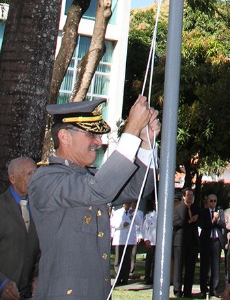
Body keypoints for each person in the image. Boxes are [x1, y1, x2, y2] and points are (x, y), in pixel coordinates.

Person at [29, 96, 159, 300]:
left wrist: (145, 142)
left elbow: (138, 188)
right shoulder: (45, 180)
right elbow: (100, 189)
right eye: (92, 134)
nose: (99, 142)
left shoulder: (87, 177)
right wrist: (131, 131)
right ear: (64, 136)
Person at [0, 156, 39, 300]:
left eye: (35, 173)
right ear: (12, 178)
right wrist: (2, 283)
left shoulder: (40, 209)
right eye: (28, 174)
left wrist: (37, 276)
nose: (34, 178)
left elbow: (43, 250)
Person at [174, 188, 200, 298]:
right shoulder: (177, 208)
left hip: (192, 241)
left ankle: (188, 290)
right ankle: (177, 290)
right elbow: (175, 222)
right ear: (183, 196)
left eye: (192, 195)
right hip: (180, 241)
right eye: (188, 195)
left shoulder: (195, 208)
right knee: (179, 266)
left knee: (190, 267)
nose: (190, 197)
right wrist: (189, 221)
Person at [199, 194, 225, 297]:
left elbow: (223, 223)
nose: (213, 203)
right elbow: (205, 226)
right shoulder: (203, 212)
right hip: (206, 241)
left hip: (216, 241)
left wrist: (217, 220)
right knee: (204, 266)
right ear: (207, 202)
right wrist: (213, 221)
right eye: (211, 201)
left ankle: (214, 289)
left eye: (215, 201)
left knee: (216, 266)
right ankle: (203, 289)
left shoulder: (220, 212)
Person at [111, 202, 137, 284]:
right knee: (118, 259)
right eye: (127, 204)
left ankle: (125, 278)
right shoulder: (117, 212)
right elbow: (112, 223)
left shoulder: (132, 212)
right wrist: (122, 225)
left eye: (129, 204)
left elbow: (139, 222)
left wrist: (134, 213)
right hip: (120, 239)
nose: (128, 206)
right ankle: (118, 277)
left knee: (127, 260)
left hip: (129, 240)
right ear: (123, 204)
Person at [142, 204, 157, 285]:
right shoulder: (149, 216)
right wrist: (146, 239)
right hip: (151, 241)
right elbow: (144, 228)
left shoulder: (165, 215)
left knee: (156, 261)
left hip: (159, 242)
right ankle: (147, 277)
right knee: (149, 261)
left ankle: (155, 277)